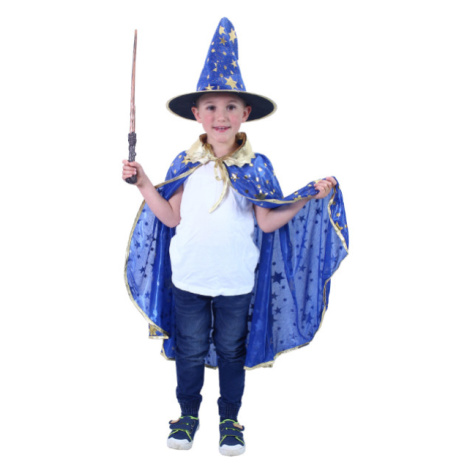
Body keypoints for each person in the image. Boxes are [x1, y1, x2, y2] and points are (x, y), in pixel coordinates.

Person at [122, 18, 348, 457]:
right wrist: (144, 181)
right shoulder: (186, 163)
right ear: (196, 113)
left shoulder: (257, 167)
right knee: (189, 350)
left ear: (246, 114)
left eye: (230, 107)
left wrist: (304, 197)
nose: (221, 116)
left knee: (231, 351)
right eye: (211, 107)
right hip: (189, 279)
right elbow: (170, 217)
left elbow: (267, 222)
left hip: (236, 282)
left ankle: (230, 419)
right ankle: (187, 415)